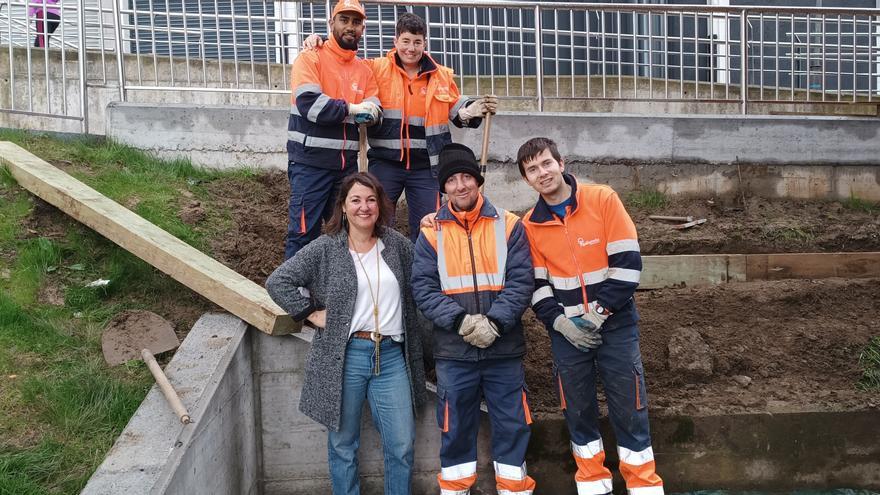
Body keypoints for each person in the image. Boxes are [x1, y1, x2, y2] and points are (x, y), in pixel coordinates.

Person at [516, 137, 664, 495]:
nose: (542, 173)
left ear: (561, 163)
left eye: (546, 163)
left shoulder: (602, 199)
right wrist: (561, 324)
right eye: (532, 169)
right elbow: (537, 285)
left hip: (616, 324)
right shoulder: (530, 225)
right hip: (567, 334)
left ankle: (643, 486)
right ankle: (594, 485)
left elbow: (627, 264)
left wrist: (598, 314)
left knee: (629, 406)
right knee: (578, 410)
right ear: (526, 179)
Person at [266, 172, 427, 495]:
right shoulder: (326, 248)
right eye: (356, 200)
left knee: (401, 444)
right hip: (346, 356)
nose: (364, 207)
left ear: (380, 205)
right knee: (343, 444)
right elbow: (278, 281)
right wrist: (311, 313)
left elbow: (424, 280)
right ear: (343, 206)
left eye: (370, 200)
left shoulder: (397, 245)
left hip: (391, 357)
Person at [302, 13, 497, 242]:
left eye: (417, 42)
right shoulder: (376, 68)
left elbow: (457, 109)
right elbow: (345, 58)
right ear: (395, 41)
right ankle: (381, 264)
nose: (411, 48)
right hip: (386, 163)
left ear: (425, 43)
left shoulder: (440, 76)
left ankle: (424, 266)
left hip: (427, 167)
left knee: (430, 229)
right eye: (405, 41)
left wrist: (472, 109)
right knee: (376, 224)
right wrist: (322, 41)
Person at [412, 143, 536, 495]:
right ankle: (455, 490)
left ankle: (514, 489)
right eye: (451, 180)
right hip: (455, 353)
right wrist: (462, 322)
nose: (460, 185)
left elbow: (521, 281)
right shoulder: (431, 232)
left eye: (466, 177)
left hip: (503, 350)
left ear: (478, 181)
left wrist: (494, 323)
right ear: (443, 188)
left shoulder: (508, 225)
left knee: (513, 426)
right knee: (454, 430)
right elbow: (423, 288)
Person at [284, 0, 382, 260]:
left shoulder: (363, 70)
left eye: (356, 22)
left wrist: (370, 112)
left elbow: (374, 108)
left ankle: (338, 283)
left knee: (345, 234)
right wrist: (352, 108)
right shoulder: (310, 58)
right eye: (344, 20)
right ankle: (294, 285)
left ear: (363, 29)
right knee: (303, 233)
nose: (350, 27)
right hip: (310, 165)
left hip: (345, 167)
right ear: (331, 23)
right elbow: (310, 105)